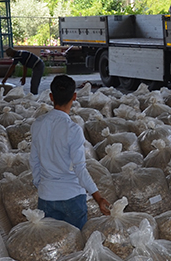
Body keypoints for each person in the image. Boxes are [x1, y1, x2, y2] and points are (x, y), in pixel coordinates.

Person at [29, 75, 112, 228]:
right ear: (74, 96)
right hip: (72, 198)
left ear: (51, 97)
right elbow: (80, 169)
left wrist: (40, 184)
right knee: (76, 244)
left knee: (53, 245)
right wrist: (98, 197)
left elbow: (34, 160)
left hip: (46, 196)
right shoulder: (73, 129)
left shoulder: (38, 124)